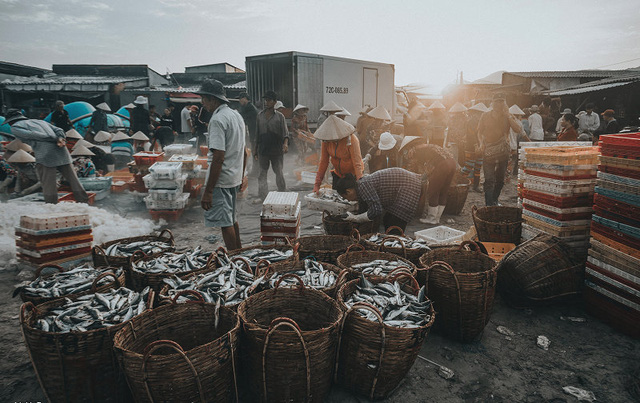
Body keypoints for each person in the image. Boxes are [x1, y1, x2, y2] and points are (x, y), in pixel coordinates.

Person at [197, 79, 247, 251]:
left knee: (226, 223)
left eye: (204, 98)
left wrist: (208, 191)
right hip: (233, 177)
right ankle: (240, 255)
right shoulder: (236, 116)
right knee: (232, 220)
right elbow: (244, 151)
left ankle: (235, 260)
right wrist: (242, 175)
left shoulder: (217, 120)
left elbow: (218, 156)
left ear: (212, 99)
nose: (202, 103)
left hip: (222, 179)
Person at [4, 109, 88, 204]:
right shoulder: (40, 121)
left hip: (45, 154)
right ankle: (84, 201)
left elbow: (34, 135)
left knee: (48, 183)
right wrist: (60, 138)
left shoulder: (15, 127)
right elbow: (59, 130)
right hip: (61, 150)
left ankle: (51, 205)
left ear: (11, 121)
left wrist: (53, 138)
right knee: (73, 179)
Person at [337, 168, 424, 232]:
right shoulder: (360, 186)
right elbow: (366, 209)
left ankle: (395, 249)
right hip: (402, 187)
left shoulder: (363, 186)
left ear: (348, 191)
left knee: (394, 224)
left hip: (409, 186)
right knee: (387, 219)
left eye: (345, 197)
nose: (348, 200)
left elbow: (376, 210)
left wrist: (355, 218)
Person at [478, 95, 523, 206]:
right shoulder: (485, 115)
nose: (499, 104)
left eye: (501, 102)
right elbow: (479, 131)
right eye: (496, 102)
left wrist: (508, 116)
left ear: (505, 104)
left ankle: (494, 200)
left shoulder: (507, 116)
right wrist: (481, 143)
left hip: (503, 152)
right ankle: (489, 205)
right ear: (492, 103)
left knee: (500, 180)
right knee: (489, 179)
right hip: (488, 150)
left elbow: (518, 130)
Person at [402, 144, 457, 225]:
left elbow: (426, 168)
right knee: (443, 191)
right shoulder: (425, 146)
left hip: (443, 165)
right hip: (452, 163)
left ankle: (431, 218)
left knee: (433, 191)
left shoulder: (416, 151)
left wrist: (421, 177)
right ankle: (437, 218)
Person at [313, 115, 364, 192]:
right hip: (338, 174)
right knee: (336, 197)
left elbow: (357, 164)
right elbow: (323, 162)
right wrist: (317, 184)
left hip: (352, 175)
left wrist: (360, 183)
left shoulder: (352, 140)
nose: (332, 141)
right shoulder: (326, 141)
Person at [255, 90, 289, 199]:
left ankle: (282, 192)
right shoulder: (259, 116)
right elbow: (257, 135)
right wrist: (255, 151)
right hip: (263, 149)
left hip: (276, 150)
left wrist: (285, 144)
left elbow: (285, 134)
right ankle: (263, 196)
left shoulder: (280, 117)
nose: (266, 102)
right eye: (265, 100)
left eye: (269, 100)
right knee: (262, 173)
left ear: (274, 102)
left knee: (278, 172)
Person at [461, 103, 488, 192]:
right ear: (475, 112)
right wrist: (477, 145)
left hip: (480, 146)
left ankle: (475, 186)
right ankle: (459, 181)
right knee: (469, 166)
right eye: (479, 113)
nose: (480, 115)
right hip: (471, 146)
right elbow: (471, 135)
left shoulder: (482, 121)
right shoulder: (471, 121)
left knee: (478, 166)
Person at [238, 92, 259, 175]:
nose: (239, 101)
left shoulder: (249, 108)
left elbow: (242, 117)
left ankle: (256, 171)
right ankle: (255, 170)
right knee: (253, 152)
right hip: (253, 133)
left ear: (245, 99)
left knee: (255, 152)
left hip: (255, 134)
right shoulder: (248, 107)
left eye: (240, 99)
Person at [508, 105, 530, 177]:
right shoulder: (518, 123)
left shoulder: (505, 121)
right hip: (512, 145)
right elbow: (523, 135)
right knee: (509, 162)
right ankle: (506, 178)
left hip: (504, 145)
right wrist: (530, 142)